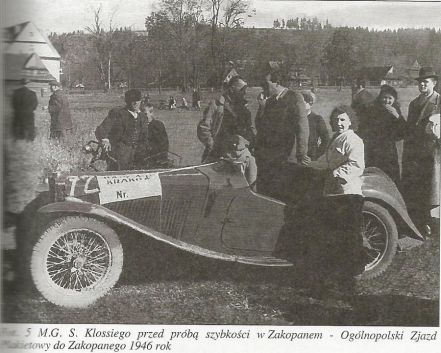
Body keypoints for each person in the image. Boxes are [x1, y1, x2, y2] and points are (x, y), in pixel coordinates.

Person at [303, 105, 366, 297]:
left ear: (350, 122)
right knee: (334, 238)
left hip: (347, 195)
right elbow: (326, 160)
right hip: (333, 195)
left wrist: (336, 174)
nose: (338, 123)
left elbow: (356, 165)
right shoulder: (336, 139)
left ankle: (351, 279)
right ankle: (334, 279)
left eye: (343, 120)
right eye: (336, 120)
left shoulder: (354, 139)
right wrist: (310, 165)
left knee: (348, 238)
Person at [254, 62, 309, 201]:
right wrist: (261, 108)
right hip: (268, 157)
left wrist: (301, 153)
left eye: (266, 84)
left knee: (284, 195)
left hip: (286, 157)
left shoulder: (294, 97)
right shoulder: (269, 102)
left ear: (277, 82)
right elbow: (260, 128)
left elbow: (302, 127)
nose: (263, 88)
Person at [400, 67, 440, 235]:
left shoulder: (439, 101)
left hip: (434, 153)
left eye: (426, 82)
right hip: (415, 153)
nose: (422, 84)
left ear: (434, 83)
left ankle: (435, 224)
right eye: (420, 82)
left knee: (434, 188)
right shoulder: (414, 103)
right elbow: (410, 128)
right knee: (419, 188)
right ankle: (422, 222)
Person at [197, 75, 254, 163]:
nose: (245, 93)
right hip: (218, 155)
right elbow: (203, 128)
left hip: (239, 155)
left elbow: (249, 129)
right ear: (232, 89)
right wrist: (212, 146)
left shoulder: (244, 108)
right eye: (242, 90)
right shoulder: (216, 105)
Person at [358, 85, 406, 185]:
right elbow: (364, 129)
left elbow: (403, 133)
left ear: (394, 100)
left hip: (389, 151)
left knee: (390, 176)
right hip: (372, 150)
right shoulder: (372, 110)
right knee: (373, 174)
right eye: (384, 97)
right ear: (380, 98)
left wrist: (397, 116)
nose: (387, 101)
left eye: (390, 98)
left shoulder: (396, 111)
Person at [95, 89, 150, 171]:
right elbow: (102, 128)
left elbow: (145, 136)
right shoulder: (117, 113)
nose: (135, 103)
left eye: (137, 100)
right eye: (132, 101)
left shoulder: (142, 116)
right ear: (127, 101)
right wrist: (105, 139)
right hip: (119, 152)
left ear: (140, 101)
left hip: (138, 152)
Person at [301, 90, 330, 161]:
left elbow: (326, 140)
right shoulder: (293, 119)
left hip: (310, 158)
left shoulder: (317, 119)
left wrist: (316, 155)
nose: (298, 106)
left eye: (302, 103)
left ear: (310, 104)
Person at [143, 102, 170, 167]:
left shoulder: (157, 125)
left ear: (151, 113)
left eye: (145, 114)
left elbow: (163, 144)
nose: (143, 116)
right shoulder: (140, 125)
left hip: (156, 158)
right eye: (141, 114)